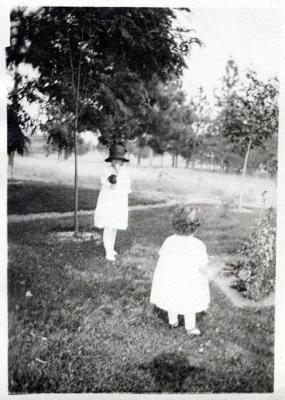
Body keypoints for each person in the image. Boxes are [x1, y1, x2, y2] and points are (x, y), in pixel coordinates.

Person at [150, 205, 210, 335]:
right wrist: (209, 273)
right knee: (189, 303)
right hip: (189, 281)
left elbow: (163, 257)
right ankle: (190, 327)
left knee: (172, 298)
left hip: (172, 278)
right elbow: (202, 266)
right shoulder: (198, 245)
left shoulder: (169, 241)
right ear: (196, 226)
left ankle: (173, 321)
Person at [94, 142, 131, 261]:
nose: (116, 162)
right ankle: (107, 251)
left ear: (122, 161)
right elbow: (110, 185)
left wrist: (120, 177)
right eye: (114, 160)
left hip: (119, 202)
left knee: (114, 225)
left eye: (119, 160)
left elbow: (127, 187)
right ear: (111, 160)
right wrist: (113, 178)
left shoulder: (125, 171)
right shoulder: (106, 170)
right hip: (108, 201)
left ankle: (111, 248)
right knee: (108, 225)